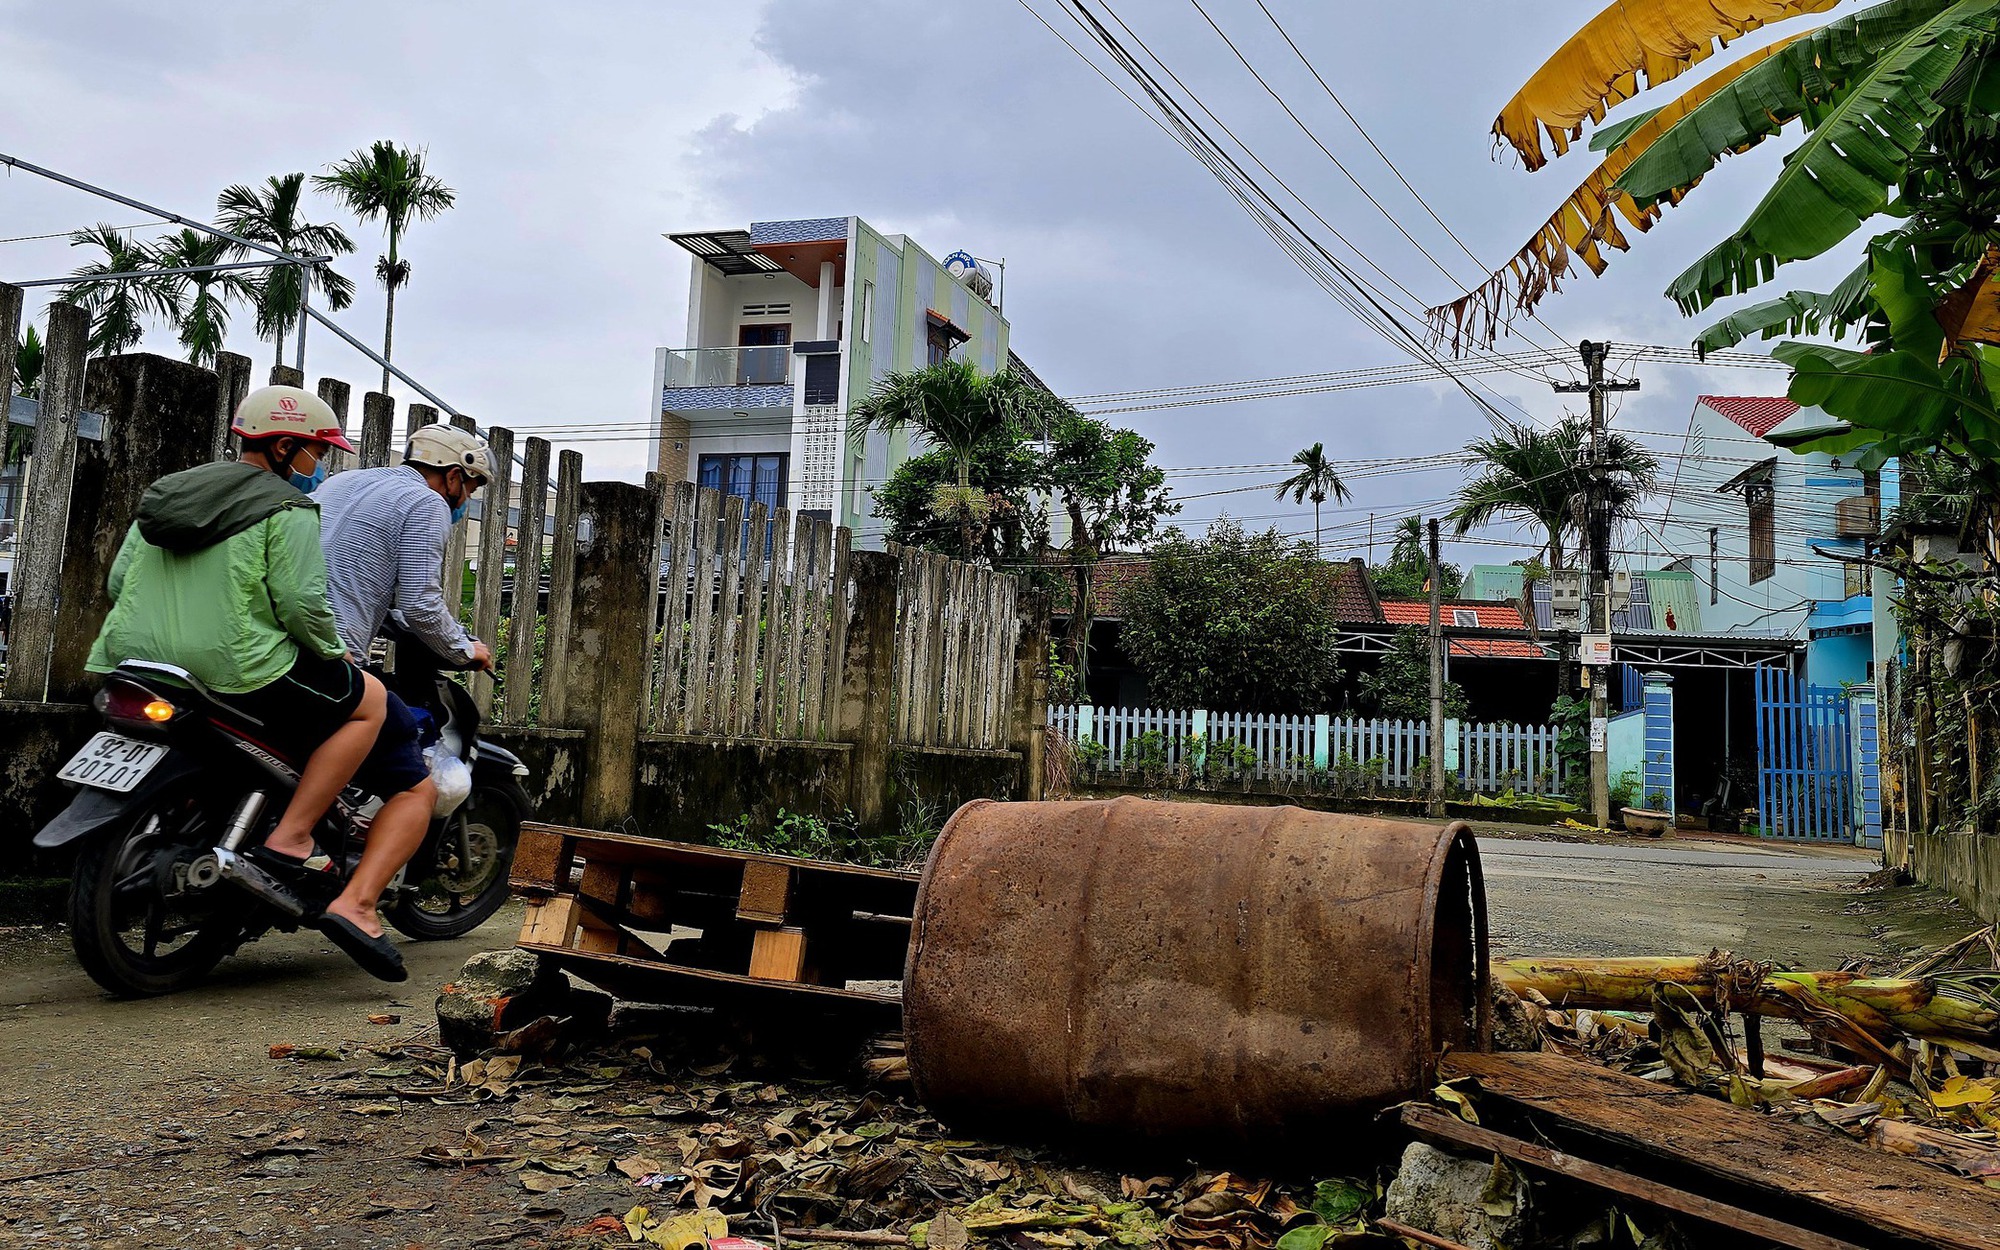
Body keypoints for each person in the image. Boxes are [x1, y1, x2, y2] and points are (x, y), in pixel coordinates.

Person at [85, 386, 426, 980]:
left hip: (135, 660)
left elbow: (119, 581)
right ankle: (294, 837)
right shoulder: (286, 509)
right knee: (368, 704)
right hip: (237, 670)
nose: (318, 467)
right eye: (316, 453)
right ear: (287, 447)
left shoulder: (169, 494)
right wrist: (334, 652)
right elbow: (300, 602)